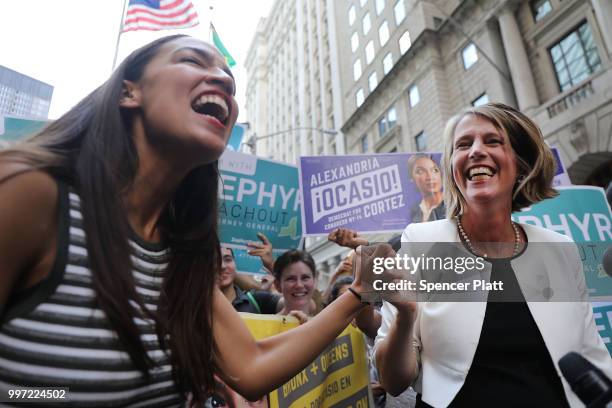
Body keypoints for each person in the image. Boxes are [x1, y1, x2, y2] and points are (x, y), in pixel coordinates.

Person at [0, 35, 368, 406]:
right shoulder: (30, 192)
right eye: (192, 61)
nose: (224, 81)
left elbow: (252, 367)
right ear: (129, 93)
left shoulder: (182, 252)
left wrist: (359, 293)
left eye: (230, 80)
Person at [373, 103, 612, 407]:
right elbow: (393, 382)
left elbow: (593, 355)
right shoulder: (420, 241)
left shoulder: (561, 249)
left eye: (492, 141)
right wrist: (405, 317)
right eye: (463, 144)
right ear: (452, 169)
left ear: (520, 163)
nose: (475, 151)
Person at [218, 247, 279, 314]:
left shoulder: (257, 299)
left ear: (235, 264)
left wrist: (271, 266)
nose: (222, 266)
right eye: (214, 261)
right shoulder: (204, 304)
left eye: (228, 260)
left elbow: (290, 303)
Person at [273, 250, 318, 323]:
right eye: (291, 279)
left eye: (305, 278)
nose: (299, 285)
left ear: (315, 281)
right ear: (277, 285)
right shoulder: (265, 325)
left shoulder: (329, 326)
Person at [407, 154, 446, 223]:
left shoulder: (453, 203)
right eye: (420, 171)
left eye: (434, 170)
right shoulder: (414, 211)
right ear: (412, 179)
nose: (430, 177)